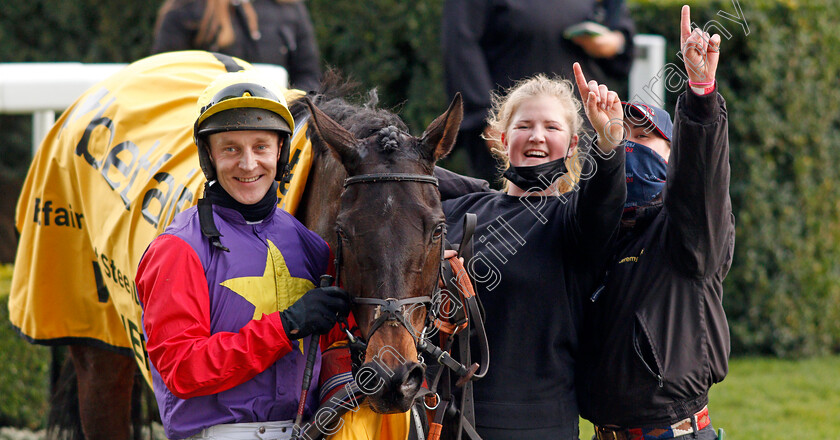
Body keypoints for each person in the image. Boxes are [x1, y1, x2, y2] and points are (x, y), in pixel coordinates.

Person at [135, 70, 350, 440]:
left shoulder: (311, 246)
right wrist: (287, 326)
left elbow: (343, 347)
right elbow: (183, 369)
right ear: (209, 155)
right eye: (231, 148)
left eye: (261, 147)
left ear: (280, 151)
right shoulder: (177, 250)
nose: (249, 164)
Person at [439, 65, 626, 439]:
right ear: (502, 139)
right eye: (525, 126)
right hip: (444, 419)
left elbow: (603, 201)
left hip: (540, 424)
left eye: (552, 127)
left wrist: (608, 144)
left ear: (573, 145)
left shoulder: (575, 220)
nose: (537, 136)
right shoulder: (456, 211)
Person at [576, 6, 733, 440]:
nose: (630, 145)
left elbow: (700, 178)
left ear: (673, 157)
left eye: (644, 137)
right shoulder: (593, 233)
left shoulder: (690, 230)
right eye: (621, 137)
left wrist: (701, 94)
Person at [441, 0, 635, 185]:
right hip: (509, 133)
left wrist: (614, 42)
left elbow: (621, 41)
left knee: (580, 211)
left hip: (580, 132)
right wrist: (484, 118)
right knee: (515, 212)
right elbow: (461, 45)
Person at [152, 0, 322, 91]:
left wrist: (289, 105)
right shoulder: (186, 8)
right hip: (207, 127)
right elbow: (167, 76)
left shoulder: (289, 8)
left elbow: (308, 76)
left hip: (276, 125)